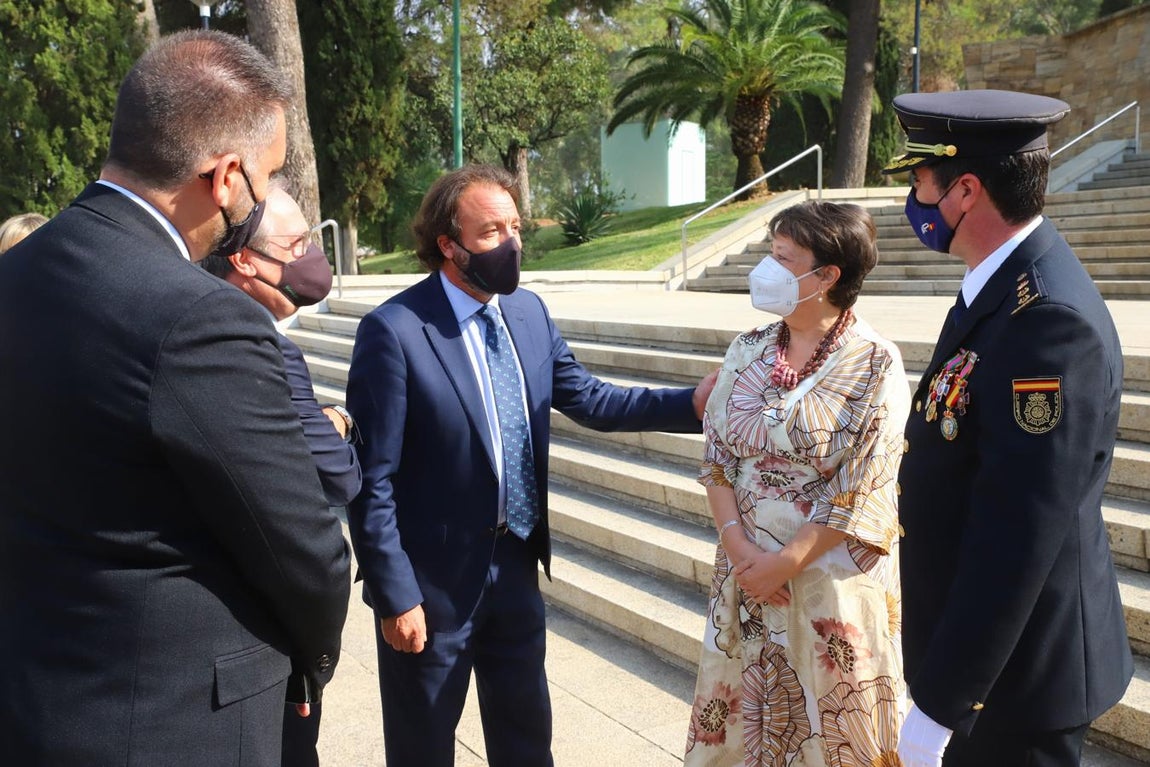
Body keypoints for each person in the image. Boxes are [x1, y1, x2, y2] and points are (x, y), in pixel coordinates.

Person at [0, 31, 350, 766]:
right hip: (174, 723)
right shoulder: (201, 318)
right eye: (270, 174)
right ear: (225, 178)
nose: (269, 194)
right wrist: (312, 660)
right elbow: (303, 552)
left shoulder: (19, 272)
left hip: (35, 700)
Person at [345, 163, 717, 767]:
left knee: (525, 741)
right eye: (491, 231)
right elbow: (373, 478)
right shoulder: (395, 331)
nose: (511, 243)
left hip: (515, 566)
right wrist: (394, 594)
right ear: (449, 244)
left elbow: (592, 400)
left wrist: (690, 403)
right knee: (423, 749)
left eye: (515, 226)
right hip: (432, 586)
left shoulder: (529, 313)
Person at [886, 90, 1132, 767]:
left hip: (1015, 683)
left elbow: (1016, 534)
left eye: (919, 179)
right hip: (986, 666)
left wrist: (940, 703)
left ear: (965, 191)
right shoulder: (999, 284)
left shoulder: (1048, 320)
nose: (913, 196)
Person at [684, 200, 910, 766]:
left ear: (828, 276)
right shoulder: (749, 348)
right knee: (750, 724)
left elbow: (865, 486)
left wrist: (786, 561)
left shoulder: (876, 363)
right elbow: (717, 454)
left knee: (833, 728)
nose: (766, 268)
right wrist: (740, 549)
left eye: (783, 258)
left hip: (827, 581)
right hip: (747, 575)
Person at [200, 182, 362, 767]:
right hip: (258, 652)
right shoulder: (264, 349)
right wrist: (337, 421)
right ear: (244, 259)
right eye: (296, 245)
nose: (310, 260)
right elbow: (337, 477)